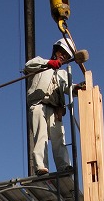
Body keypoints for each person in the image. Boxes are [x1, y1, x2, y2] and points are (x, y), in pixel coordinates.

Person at [24, 38, 74, 175]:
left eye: (67, 56)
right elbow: (28, 65)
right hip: (39, 104)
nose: (63, 57)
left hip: (55, 109)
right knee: (41, 136)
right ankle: (41, 166)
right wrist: (48, 63)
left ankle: (64, 166)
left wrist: (78, 88)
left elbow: (68, 88)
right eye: (62, 53)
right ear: (55, 51)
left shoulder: (63, 74)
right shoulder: (41, 63)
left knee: (59, 137)